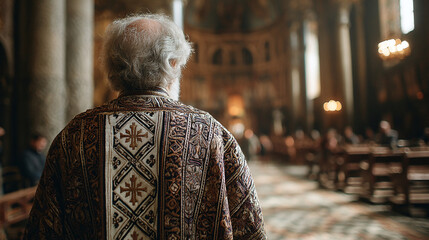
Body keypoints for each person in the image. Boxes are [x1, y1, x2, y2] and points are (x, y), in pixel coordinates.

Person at [24, 14, 266, 239]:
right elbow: (250, 228)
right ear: (172, 64)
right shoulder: (211, 133)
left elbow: (42, 230)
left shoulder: (73, 136)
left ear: (112, 68)